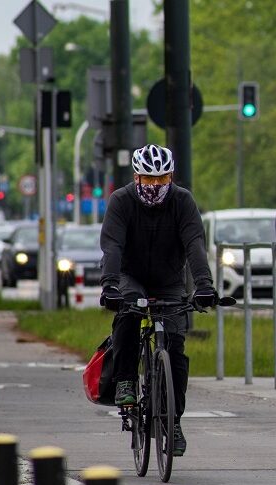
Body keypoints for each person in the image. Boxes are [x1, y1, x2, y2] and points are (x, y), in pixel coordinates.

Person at [99, 144, 218, 456]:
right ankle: (126, 379)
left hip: (168, 280)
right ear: (136, 176)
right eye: (148, 180)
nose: (154, 187)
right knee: (129, 311)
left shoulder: (182, 201)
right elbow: (112, 246)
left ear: (171, 177)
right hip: (130, 275)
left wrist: (204, 285)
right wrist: (110, 286)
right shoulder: (121, 201)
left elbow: (194, 245)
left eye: (161, 180)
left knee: (175, 351)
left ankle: (173, 420)